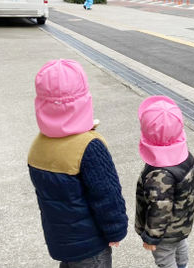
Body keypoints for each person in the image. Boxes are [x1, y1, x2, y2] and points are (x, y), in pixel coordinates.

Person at [28, 59, 128, 267]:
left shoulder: (37, 146)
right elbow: (107, 195)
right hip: (91, 245)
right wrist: (116, 230)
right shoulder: (89, 147)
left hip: (60, 241)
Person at [135, 96, 194, 268]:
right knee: (180, 245)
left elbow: (159, 208)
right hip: (182, 224)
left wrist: (151, 237)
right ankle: (183, 265)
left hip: (165, 233)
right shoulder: (186, 157)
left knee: (164, 257)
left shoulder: (158, 175)